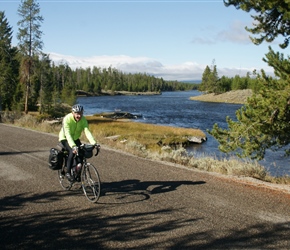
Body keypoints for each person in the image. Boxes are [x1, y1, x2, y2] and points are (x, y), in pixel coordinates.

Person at [59, 104, 98, 181]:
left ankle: (77, 173)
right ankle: (68, 173)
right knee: (72, 151)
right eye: (77, 113)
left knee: (81, 153)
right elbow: (67, 133)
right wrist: (73, 146)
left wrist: (94, 143)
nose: (79, 115)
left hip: (76, 138)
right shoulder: (67, 119)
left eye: (80, 113)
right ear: (73, 113)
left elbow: (87, 131)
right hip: (65, 138)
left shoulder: (83, 120)